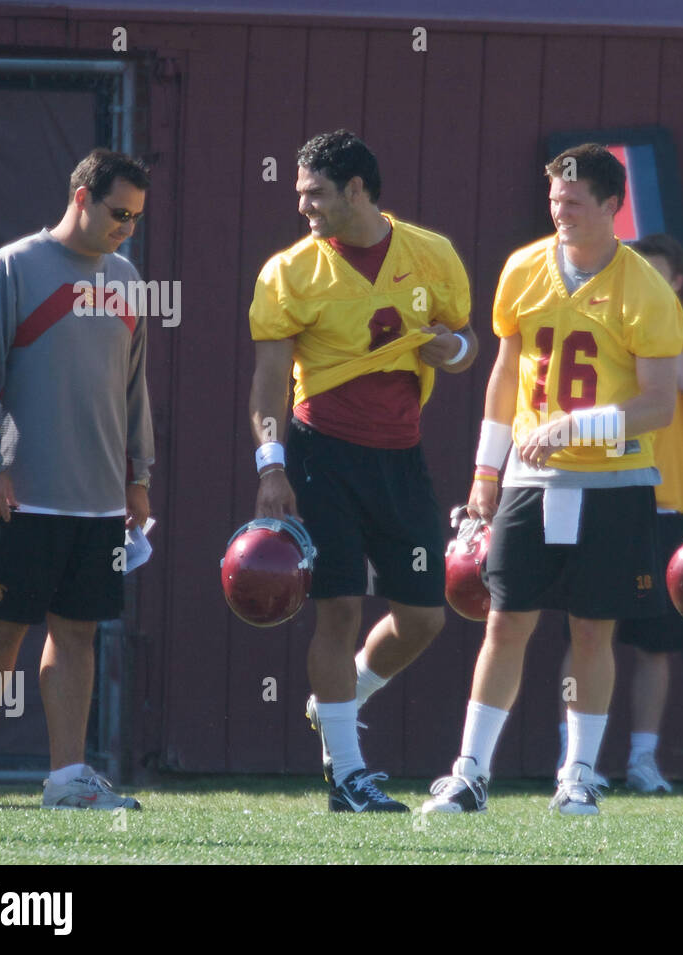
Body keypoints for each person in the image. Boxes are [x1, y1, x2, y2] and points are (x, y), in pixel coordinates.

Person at [421, 144, 683, 816]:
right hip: (531, 479)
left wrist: (577, 427)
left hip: (613, 482)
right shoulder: (523, 269)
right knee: (505, 621)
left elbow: (658, 402)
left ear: (609, 205)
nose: (559, 212)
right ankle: (470, 770)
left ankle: (578, 773)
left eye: (573, 201)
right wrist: (486, 468)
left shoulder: (645, 288)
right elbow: (505, 373)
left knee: (594, 629)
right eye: (553, 200)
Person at [248, 130, 476, 813]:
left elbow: (465, 346)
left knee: (423, 616)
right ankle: (347, 772)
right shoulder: (290, 270)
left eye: (316, 192)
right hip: (323, 455)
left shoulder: (430, 253)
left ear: (357, 189)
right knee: (339, 605)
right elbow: (268, 383)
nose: (304, 206)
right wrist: (271, 464)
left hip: (401, 455)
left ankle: (340, 699)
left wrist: (451, 349)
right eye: (299, 193)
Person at [0, 148, 154, 811]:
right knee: (3, 626)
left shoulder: (127, 280)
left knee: (78, 631)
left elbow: (133, 388)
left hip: (98, 500)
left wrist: (138, 477)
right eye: (118, 212)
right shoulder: (11, 268)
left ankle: (67, 779)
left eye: (136, 217)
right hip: (21, 493)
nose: (127, 226)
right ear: (81, 198)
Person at [553, 233, 683, 793]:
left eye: (654, 276)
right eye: (636, 275)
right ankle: (575, 760)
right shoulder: (603, 326)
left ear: (675, 284)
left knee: (657, 641)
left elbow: (681, 379)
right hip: (602, 488)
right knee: (586, 633)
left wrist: (641, 334)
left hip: (668, 502)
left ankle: (643, 760)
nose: (641, 285)